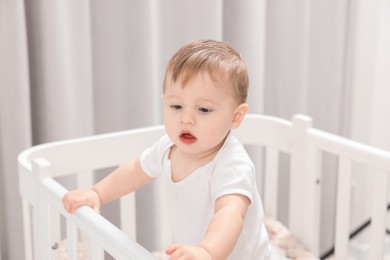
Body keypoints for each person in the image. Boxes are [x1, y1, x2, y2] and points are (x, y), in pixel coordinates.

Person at [62, 39, 271, 260]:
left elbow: (230, 213)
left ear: (236, 116)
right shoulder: (168, 147)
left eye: (203, 109)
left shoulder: (232, 164)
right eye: (176, 106)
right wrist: (98, 193)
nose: (186, 119)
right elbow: (136, 171)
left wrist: (206, 251)